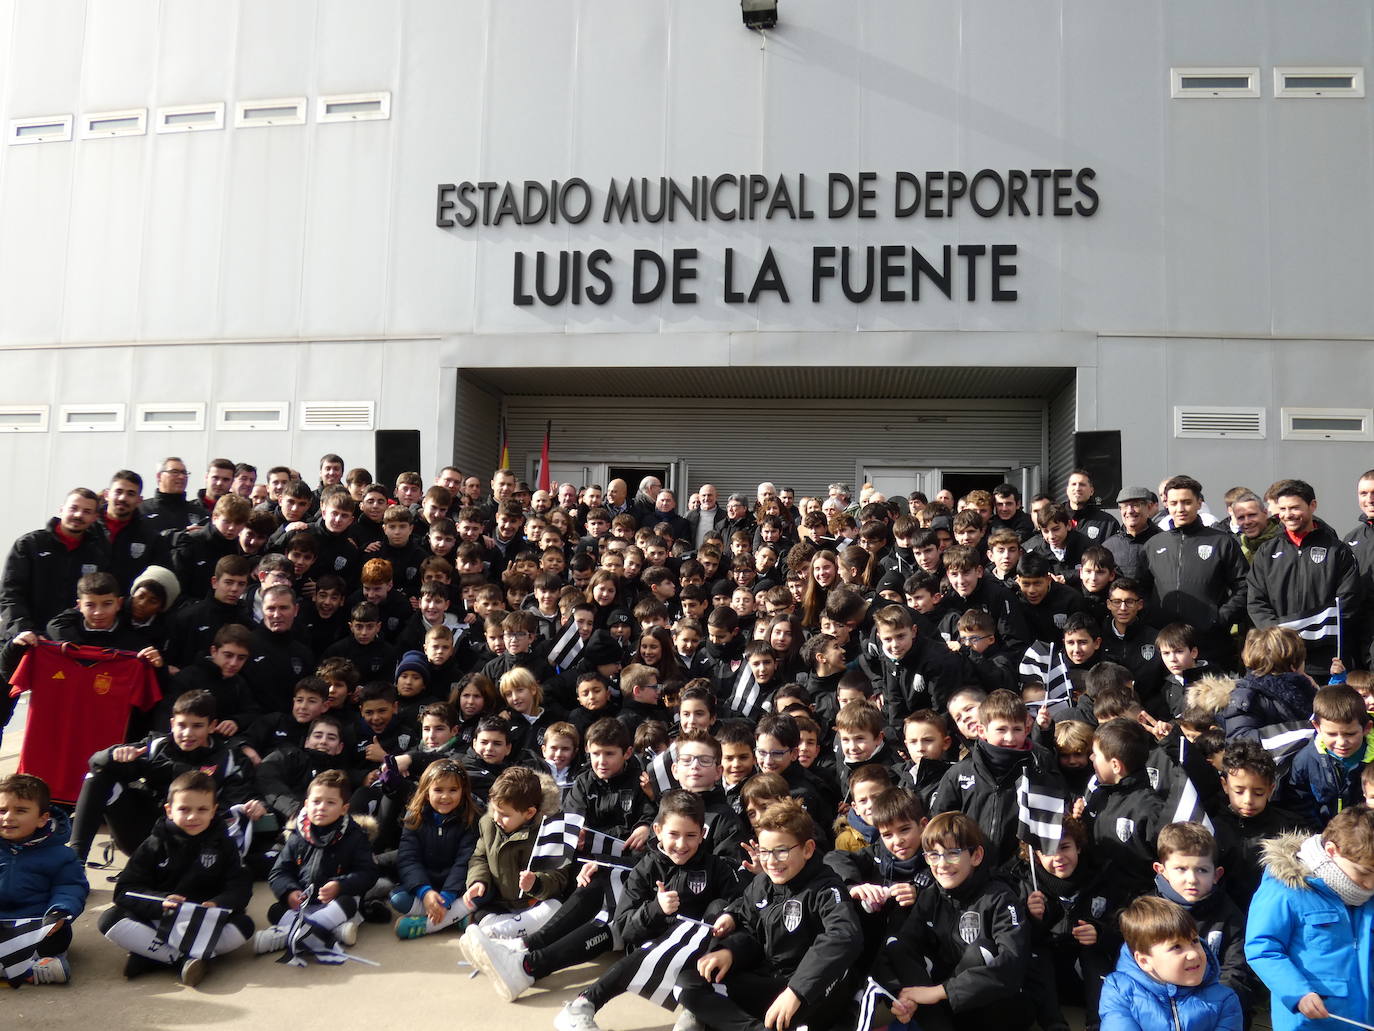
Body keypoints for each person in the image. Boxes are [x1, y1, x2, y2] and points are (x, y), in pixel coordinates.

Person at [677, 797, 863, 1031]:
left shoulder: (826, 888)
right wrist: (730, 952)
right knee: (688, 984)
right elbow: (750, 930)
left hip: (809, 989)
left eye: (782, 852)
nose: (772, 862)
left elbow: (844, 937)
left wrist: (797, 991)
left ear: (807, 849)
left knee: (796, 1016)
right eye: (765, 852)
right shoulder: (762, 883)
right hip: (771, 982)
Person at [876, 811, 1032, 1031]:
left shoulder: (1000, 898)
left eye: (953, 853)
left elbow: (1012, 966)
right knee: (896, 946)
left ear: (976, 856)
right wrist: (903, 997)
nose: (942, 864)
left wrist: (940, 991)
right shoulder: (931, 896)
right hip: (945, 1008)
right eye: (933, 855)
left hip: (998, 1009)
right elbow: (904, 945)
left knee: (980, 952)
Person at [100, 771, 254, 985]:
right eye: (184, 809)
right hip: (160, 918)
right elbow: (125, 891)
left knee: (244, 926)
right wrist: (161, 901)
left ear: (214, 811)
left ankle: (152, 956)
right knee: (109, 920)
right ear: (169, 810)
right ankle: (183, 960)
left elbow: (240, 887)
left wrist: (218, 903)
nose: (193, 816)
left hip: (203, 921)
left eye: (202, 809)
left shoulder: (225, 844)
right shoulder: (153, 844)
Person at [1245, 806, 1374, 1031]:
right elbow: (1262, 948)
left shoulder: (1368, 894)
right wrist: (1298, 993)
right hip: (1309, 1021)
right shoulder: (1286, 888)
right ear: (1332, 851)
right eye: (1363, 873)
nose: (1370, 885)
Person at [255, 769, 379, 954]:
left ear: (344, 808)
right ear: (306, 804)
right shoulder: (297, 836)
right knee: (275, 910)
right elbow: (279, 871)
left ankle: (285, 936)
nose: (321, 807)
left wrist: (340, 885)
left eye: (330, 802)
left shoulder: (354, 836)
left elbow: (368, 872)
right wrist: (289, 891)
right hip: (302, 904)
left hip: (335, 902)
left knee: (349, 903)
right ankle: (331, 932)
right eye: (316, 801)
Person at [1247, 479, 1361, 678]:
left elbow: (1347, 602)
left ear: (1312, 505)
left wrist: (1309, 636)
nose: (1287, 514)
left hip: (1325, 662)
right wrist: (1281, 640)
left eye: (1294, 508)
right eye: (1282, 508)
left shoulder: (1337, 550)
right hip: (1280, 659)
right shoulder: (1267, 551)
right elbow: (1256, 602)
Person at [1145, 475, 1248, 669]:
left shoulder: (1222, 542)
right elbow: (1141, 589)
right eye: (1174, 503)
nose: (1180, 509)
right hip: (1165, 646)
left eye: (1187, 502)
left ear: (1199, 503)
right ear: (1166, 504)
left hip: (1210, 643)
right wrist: (1153, 619)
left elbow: (1244, 587)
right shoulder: (1154, 544)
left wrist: (1220, 618)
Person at [1099, 896, 1242, 1031]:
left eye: (1194, 941)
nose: (1193, 954)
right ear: (1145, 961)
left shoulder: (1224, 999)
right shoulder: (1120, 990)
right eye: (1176, 947)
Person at [459, 765, 567, 939]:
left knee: (555, 909)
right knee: (482, 917)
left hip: (535, 902)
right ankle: (510, 932)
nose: (496, 818)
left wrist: (536, 883)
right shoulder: (488, 824)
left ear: (529, 813)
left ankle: (498, 934)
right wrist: (478, 881)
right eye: (495, 810)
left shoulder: (551, 830)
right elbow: (479, 857)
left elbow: (559, 876)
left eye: (504, 814)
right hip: (499, 903)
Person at [0, 773, 88, 985]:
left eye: (20, 810)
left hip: (35, 925)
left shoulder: (60, 854)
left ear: (42, 818)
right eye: (2, 810)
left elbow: (70, 887)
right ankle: (32, 970)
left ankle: (27, 965)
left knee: (55, 938)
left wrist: (59, 912)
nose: (8, 817)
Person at [389, 758, 479, 939]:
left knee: (483, 892)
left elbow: (465, 862)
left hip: (457, 888)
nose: (445, 796)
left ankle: (429, 923)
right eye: (438, 790)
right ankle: (457, 915)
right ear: (426, 792)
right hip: (426, 884)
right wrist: (425, 892)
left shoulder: (470, 819)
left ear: (463, 791)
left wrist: (447, 896)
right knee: (397, 898)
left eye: (453, 790)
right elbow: (408, 859)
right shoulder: (414, 817)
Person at [1103, 486, 1160, 581]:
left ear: (1149, 507)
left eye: (1136, 505)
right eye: (1125, 506)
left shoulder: (1163, 542)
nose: (1129, 511)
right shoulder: (1108, 547)